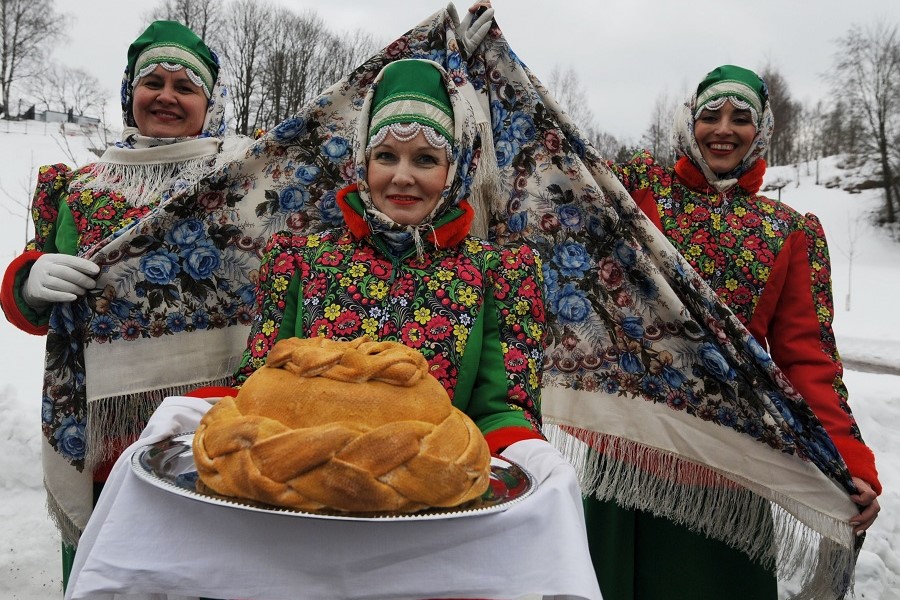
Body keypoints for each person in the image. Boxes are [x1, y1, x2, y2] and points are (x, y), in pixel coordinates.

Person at [584, 64, 882, 600]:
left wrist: (849, 460)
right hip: (630, 449)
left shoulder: (788, 231)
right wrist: (485, 68)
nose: (724, 128)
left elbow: (808, 360)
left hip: (728, 467)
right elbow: (555, 175)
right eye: (710, 115)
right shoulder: (638, 195)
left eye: (741, 117)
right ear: (688, 123)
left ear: (761, 130)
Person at [0, 20, 248, 592]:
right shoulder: (83, 188)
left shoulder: (241, 179)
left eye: (185, 86)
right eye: (152, 82)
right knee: (119, 565)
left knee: (212, 562)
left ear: (208, 103)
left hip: (218, 419)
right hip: (109, 425)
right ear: (128, 94)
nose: (166, 95)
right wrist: (29, 280)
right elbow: (37, 299)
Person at [214, 57, 547, 454]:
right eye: (386, 156)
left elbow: (502, 411)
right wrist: (197, 410)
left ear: (454, 169)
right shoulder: (300, 260)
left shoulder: (501, 273)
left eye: (426, 159)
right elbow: (258, 385)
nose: (402, 177)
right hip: (304, 483)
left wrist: (528, 454)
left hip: (435, 493)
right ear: (363, 161)